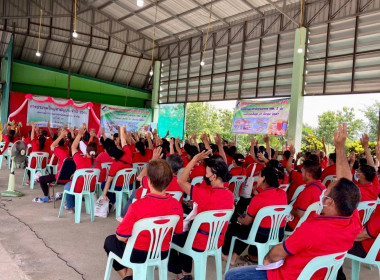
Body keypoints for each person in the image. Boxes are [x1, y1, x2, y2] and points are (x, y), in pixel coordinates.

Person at [225, 123, 362, 280]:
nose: (323, 192)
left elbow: (278, 254)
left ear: (330, 203)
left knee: (231, 275)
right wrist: (339, 147)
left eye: (327, 192)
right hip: (321, 275)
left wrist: (267, 259)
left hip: (288, 276)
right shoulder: (353, 221)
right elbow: (346, 181)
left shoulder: (312, 227)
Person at [103, 159, 184, 280]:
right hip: (161, 253)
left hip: (137, 254)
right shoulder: (176, 205)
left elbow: (121, 236)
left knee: (110, 241)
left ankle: (127, 276)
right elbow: (178, 231)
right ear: (168, 182)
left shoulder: (137, 206)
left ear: (149, 181)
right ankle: (129, 275)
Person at [168, 150, 234, 280]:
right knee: (186, 234)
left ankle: (181, 274)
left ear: (214, 176)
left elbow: (181, 181)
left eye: (207, 173)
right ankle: (186, 272)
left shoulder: (204, 195)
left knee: (167, 238)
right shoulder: (230, 196)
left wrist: (194, 160)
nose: (205, 175)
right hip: (216, 241)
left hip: (199, 242)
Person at [222, 166, 287, 265]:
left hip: (262, 236)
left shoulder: (258, 198)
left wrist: (238, 219)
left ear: (264, 178)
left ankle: (232, 257)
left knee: (239, 226)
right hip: (278, 234)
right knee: (251, 226)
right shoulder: (282, 193)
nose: (258, 178)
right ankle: (249, 256)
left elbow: (247, 221)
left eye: (260, 176)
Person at [63, 127, 98, 213]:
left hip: (79, 188)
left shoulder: (80, 160)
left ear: (86, 151)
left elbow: (73, 147)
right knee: (73, 184)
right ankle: (72, 204)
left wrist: (79, 134)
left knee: (67, 185)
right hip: (91, 188)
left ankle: (70, 207)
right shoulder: (98, 162)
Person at [286, 158, 325, 231]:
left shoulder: (308, 191)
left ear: (308, 175)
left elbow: (300, 214)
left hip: (296, 225)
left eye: (302, 171)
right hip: (312, 222)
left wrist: (288, 208)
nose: (301, 174)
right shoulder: (323, 187)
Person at [35, 129, 70, 203]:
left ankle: (46, 197)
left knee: (41, 179)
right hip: (70, 179)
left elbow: (52, 146)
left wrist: (61, 136)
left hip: (59, 178)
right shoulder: (73, 154)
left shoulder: (61, 152)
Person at [102, 125, 133, 205]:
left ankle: (113, 201)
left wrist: (104, 194)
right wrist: (122, 130)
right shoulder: (128, 153)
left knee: (104, 184)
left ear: (112, 156)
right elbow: (123, 141)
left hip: (119, 187)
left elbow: (108, 182)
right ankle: (116, 200)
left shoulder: (115, 165)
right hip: (130, 185)